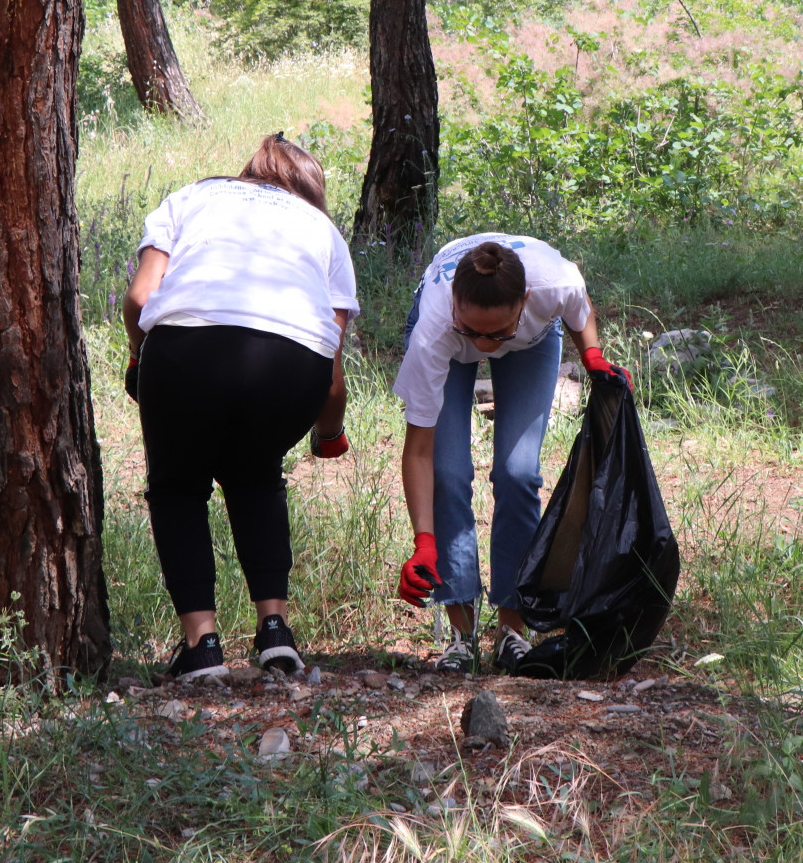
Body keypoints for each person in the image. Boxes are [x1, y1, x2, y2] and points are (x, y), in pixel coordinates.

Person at [122, 134, 357, 681]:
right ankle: (276, 631)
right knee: (256, 477)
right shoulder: (323, 231)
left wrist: (141, 361)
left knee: (178, 488)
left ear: (249, 171)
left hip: (186, 347)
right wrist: (329, 435)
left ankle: (202, 647)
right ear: (310, 190)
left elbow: (138, 299)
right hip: (292, 363)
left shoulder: (192, 197)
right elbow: (331, 371)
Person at [391, 235, 629, 673]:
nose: (484, 345)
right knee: (448, 472)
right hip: (447, 341)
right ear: (455, 306)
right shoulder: (435, 330)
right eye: (473, 331)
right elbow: (420, 453)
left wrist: (592, 356)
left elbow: (581, 312)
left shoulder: (554, 283)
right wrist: (424, 542)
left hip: (531, 343)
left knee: (518, 472)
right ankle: (461, 638)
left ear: (526, 300)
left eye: (497, 333)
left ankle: (512, 633)